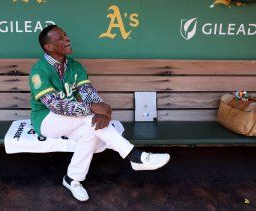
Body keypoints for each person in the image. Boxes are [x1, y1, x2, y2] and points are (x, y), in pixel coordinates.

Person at [29, 25, 170, 201]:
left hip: (71, 119)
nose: (67, 39)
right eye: (60, 38)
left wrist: (101, 110)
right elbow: (55, 105)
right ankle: (134, 156)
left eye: (66, 35)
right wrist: (93, 109)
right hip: (46, 120)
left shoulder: (75, 66)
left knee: (91, 130)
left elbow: (88, 92)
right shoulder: (39, 70)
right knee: (90, 118)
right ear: (48, 47)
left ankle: (72, 179)